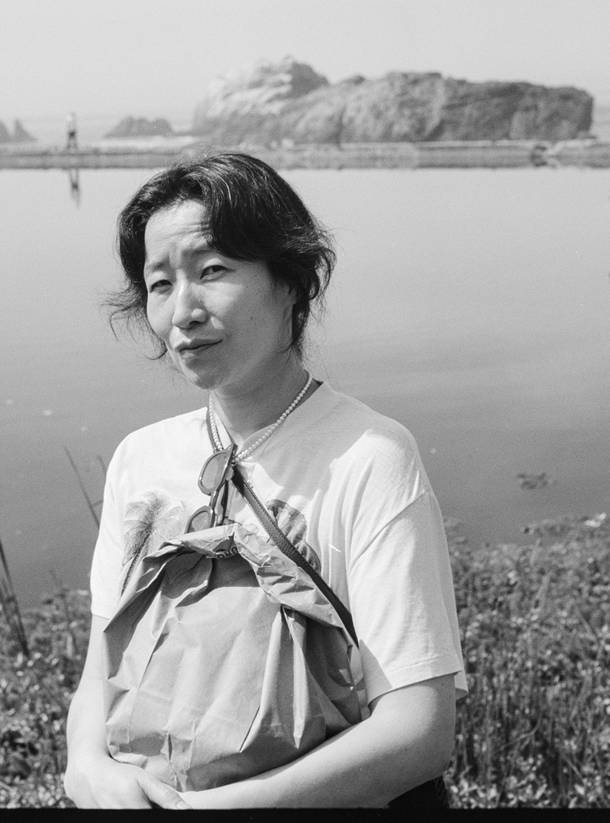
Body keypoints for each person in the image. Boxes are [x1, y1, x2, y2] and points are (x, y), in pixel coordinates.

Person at [63, 151, 466, 808]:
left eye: (212, 271)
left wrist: (217, 809)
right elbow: (104, 669)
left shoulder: (369, 456)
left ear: (290, 279)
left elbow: (418, 730)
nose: (183, 310)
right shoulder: (141, 459)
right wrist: (89, 769)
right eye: (160, 284)